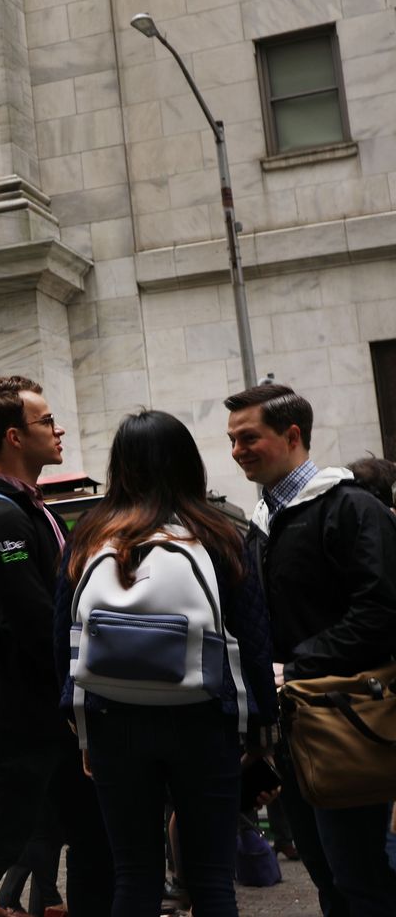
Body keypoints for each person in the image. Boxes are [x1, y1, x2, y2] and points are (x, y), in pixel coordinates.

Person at [54, 409, 278, 916]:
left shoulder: (89, 535)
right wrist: (260, 726)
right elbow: (254, 637)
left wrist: (81, 727)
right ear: (187, 463)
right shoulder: (219, 533)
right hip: (205, 717)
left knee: (133, 878)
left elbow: (62, 640)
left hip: (113, 721)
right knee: (213, 881)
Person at [0, 375, 111, 917]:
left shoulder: (31, 509)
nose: (57, 430)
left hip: (53, 712)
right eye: (45, 422)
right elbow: (36, 620)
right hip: (25, 716)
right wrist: (87, 678)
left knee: (93, 835)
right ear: (14, 437)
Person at [226, 383, 396, 915]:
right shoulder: (258, 526)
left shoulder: (350, 508)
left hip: (352, 725)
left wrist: (295, 666)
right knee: (327, 877)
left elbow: (380, 612)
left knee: (362, 879)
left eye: (249, 437)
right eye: (231, 440)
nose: (237, 451)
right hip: (294, 735)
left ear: (292, 434)